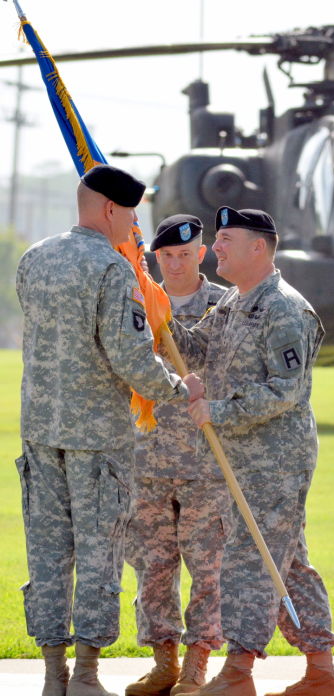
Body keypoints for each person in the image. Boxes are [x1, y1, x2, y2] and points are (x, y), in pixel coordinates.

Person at [15, 165, 203, 696]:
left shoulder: (35, 258)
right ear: (110, 210)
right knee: (99, 552)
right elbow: (129, 356)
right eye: (132, 212)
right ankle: (87, 676)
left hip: (40, 431)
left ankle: (53, 676)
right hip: (97, 436)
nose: (136, 224)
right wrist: (177, 387)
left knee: (48, 556)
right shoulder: (111, 268)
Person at [170, 207, 334, 696]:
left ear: (258, 248)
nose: (216, 248)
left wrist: (218, 411)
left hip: (275, 459)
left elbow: (285, 390)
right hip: (239, 457)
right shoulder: (230, 302)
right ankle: (321, 672)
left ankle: (238, 671)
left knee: (248, 557)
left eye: (225, 239)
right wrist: (158, 313)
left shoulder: (285, 308)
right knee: (286, 561)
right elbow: (194, 347)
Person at [125, 215, 229, 696]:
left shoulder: (224, 305)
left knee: (207, 567)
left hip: (205, 462)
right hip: (145, 457)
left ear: (201, 254)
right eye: (166, 256)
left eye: (185, 255)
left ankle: (196, 665)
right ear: (155, 257)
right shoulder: (138, 303)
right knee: (153, 565)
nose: (176, 264)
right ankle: (163, 659)